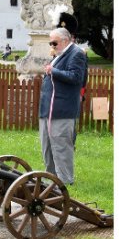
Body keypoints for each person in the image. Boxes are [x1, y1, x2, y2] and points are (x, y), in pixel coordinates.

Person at [40, 15, 88, 186]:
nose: (52, 46)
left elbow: (76, 77)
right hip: (48, 110)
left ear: (66, 40)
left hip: (62, 110)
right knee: (47, 148)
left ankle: (65, 181)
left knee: (61, 147)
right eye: (50, 43)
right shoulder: (59, 54)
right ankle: (51, 180)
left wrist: (54, 71)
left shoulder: (77, 54)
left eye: (54, 43)